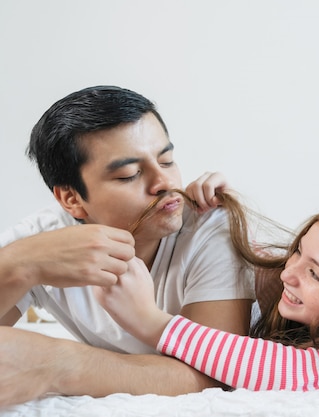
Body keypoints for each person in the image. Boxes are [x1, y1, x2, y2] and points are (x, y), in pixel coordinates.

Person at [0, 86, 255, 406]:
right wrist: (18, 265)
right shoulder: (42, 242)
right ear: (71, 199)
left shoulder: (209, 227)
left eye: (167, 160)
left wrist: (59, 364)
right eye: (129, 175)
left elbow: (214, 376)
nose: (164, 183)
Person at [94, 199, 319, 390]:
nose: (289, 273)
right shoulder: (300, 312)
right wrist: (199, 207)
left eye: (314, 273)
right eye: (299, 251)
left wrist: (151, 323)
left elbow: (270, 366)